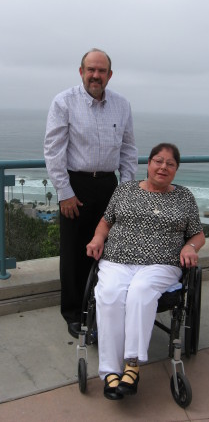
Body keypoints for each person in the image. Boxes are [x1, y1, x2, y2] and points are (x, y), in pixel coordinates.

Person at [86, 142, 205, 400]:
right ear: (148, 164)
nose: (163, 167)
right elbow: (105, 223)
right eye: (158, 161)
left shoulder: (184, 197)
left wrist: (190, 247)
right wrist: (97, 239)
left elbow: (198, 234)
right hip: (117, 259)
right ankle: (109, 372)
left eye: (170, 164)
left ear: (176, 170)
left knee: (140, 292)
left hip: (161, 264)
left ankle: (131, 364)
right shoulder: (125, 190)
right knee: (109, 294)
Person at [44, 48, 138, 338]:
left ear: (110, 75)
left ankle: (101, 307)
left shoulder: (121, 105)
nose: (95, 75)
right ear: (81, 71)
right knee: (74, 252)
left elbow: (129, 150)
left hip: (109, 186)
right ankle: (74, 313)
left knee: (108, 250)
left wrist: (126, 191)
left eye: (101, 71)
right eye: (91, 69)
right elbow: (53, 149)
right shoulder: (64, 102)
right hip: (76, 186)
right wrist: (64, 192)